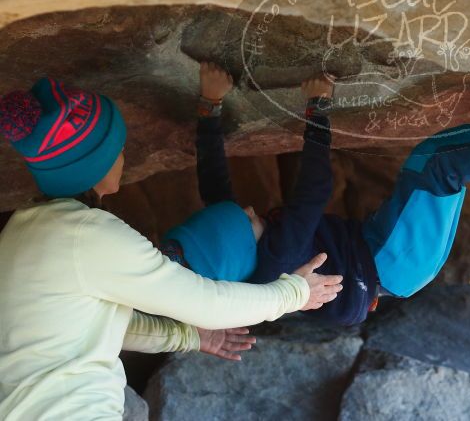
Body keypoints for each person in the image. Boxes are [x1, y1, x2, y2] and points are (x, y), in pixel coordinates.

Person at [0, 77, 343, 421]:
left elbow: (110, 325)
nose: (123, 155)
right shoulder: (87, 236)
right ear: (95, 163)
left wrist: (186, 337)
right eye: (117, 147)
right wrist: (295, 293)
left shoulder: (22, 232)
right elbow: (208, 303)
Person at [156, 62, 470, 326]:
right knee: (442, 171)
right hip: (393, 262)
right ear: (246, 244)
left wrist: (209, 107)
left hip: (377, 249)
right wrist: (317, 109)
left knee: (433, 152)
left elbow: (214, 180)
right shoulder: (280, 253)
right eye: (248, 219)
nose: (251, 208)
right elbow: (314, 188)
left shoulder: (240, 256)